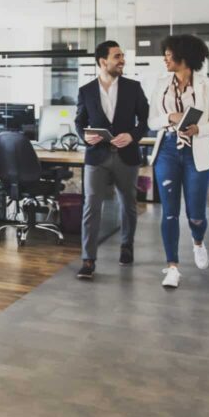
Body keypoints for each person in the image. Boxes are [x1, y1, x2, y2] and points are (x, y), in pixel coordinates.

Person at [149, 35, 209, 289]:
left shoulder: (207, 85)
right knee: (169, 212)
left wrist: (198, 129)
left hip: (196, 151)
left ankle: (198, 241)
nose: (165, 59)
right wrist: (169, 116)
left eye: (169, 55)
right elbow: (152, 121)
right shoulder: (161, 84)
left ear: (184, 57)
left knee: (196, 214)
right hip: (167, 150)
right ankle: (172, 267)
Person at [74, 40, 150, 280]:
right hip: (96, 156)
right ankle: (88, 259)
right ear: (102, 61)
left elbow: (145, 121)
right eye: (117, 56)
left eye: (122, 56)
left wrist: (132, 136)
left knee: (128, 204)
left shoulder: (133, 88)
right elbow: (79, 122)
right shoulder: (86, 90)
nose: (122, 60)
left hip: (126, 156)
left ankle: (127, 245)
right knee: (91, 206)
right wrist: (85, 137)